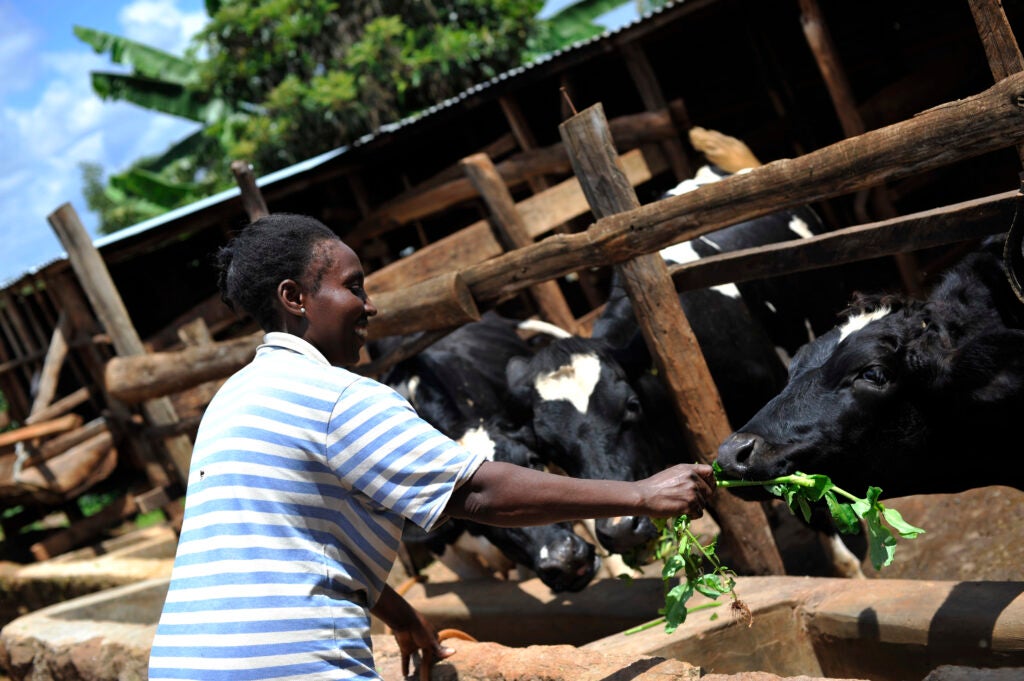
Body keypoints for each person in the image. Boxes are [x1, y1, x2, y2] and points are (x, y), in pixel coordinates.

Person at [147, 213, 717, 681]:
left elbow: (282, 540)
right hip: (289, 667)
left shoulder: (231, 399)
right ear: (294, 297)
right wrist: (639, 494)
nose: (369, 306)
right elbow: (480, 492)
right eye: (353, 287)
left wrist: (395, 610)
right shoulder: (337, 396)